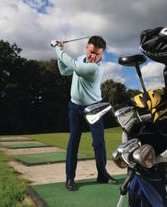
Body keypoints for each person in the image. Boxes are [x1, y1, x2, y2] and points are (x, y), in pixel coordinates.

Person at [50, 36, 118, 191]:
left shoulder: (96, 68)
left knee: (99, 143)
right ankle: (70, 179)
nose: (93, 56)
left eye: (98, 54)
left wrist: (58, 48)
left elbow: (75, 66)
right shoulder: (81, 58)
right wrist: (61, 54)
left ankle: (103, 175)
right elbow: (64, 70)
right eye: (92, 52)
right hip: (75, 107)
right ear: (87, 48)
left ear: (102, 55)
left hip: (94, 107)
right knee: (73, 141)